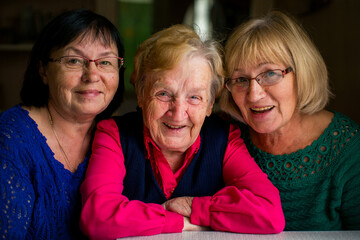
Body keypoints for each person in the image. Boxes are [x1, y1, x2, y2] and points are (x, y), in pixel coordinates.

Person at [79, 24, 285, 239]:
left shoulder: (225, 139)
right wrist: (181, 222)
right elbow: (96, 217)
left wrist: (192, 207)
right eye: (164, 94)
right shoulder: (113, 134)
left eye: (194, 97)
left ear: (209, 104)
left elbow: (270, 213)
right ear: (141, 94)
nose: (178, 114)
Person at [219, 11, 360, 230]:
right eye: (241, 80)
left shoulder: (348, 149)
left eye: (270, 73)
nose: (254, 94)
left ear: (301, 72)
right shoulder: (224, 139)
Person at [0, 9, 125, 239]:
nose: (92, 75)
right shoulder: (10, 137)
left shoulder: (119, 136)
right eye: (74, 60)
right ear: (43, 70)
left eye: (105, 61)